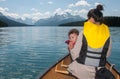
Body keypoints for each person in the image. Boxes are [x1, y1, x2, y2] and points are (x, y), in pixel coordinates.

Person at [67, 4, 112, 79]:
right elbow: (107, 55)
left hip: (82, 71)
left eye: (88, 18)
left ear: (91, 18)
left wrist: (71, 48)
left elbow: (75, 55)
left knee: (71, 66)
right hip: (99, 71)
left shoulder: (83, 32)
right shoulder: (108, 35)